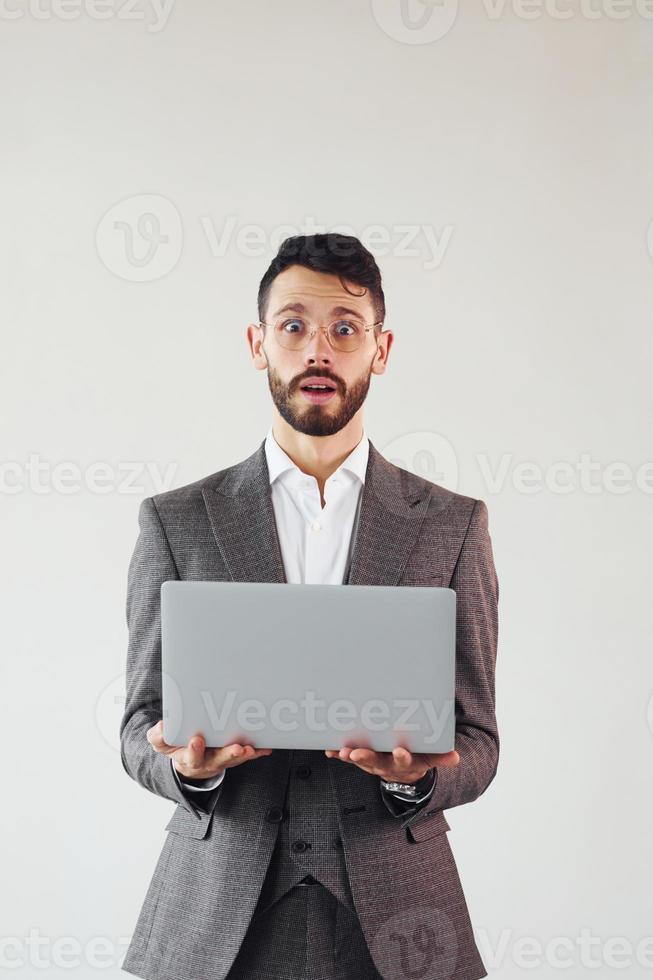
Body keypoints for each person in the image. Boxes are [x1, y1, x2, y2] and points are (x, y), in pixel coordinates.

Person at [120, 233, 500, 980]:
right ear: (258, 344)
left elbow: (478, 739)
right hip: (218, 912)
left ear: (380, 349)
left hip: (399, 918)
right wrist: (190, 771)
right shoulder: (177, 519)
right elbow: (137, 725)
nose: (317, 349)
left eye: (344, 329)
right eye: (292, 326)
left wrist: (414, 779)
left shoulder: (452, 524)